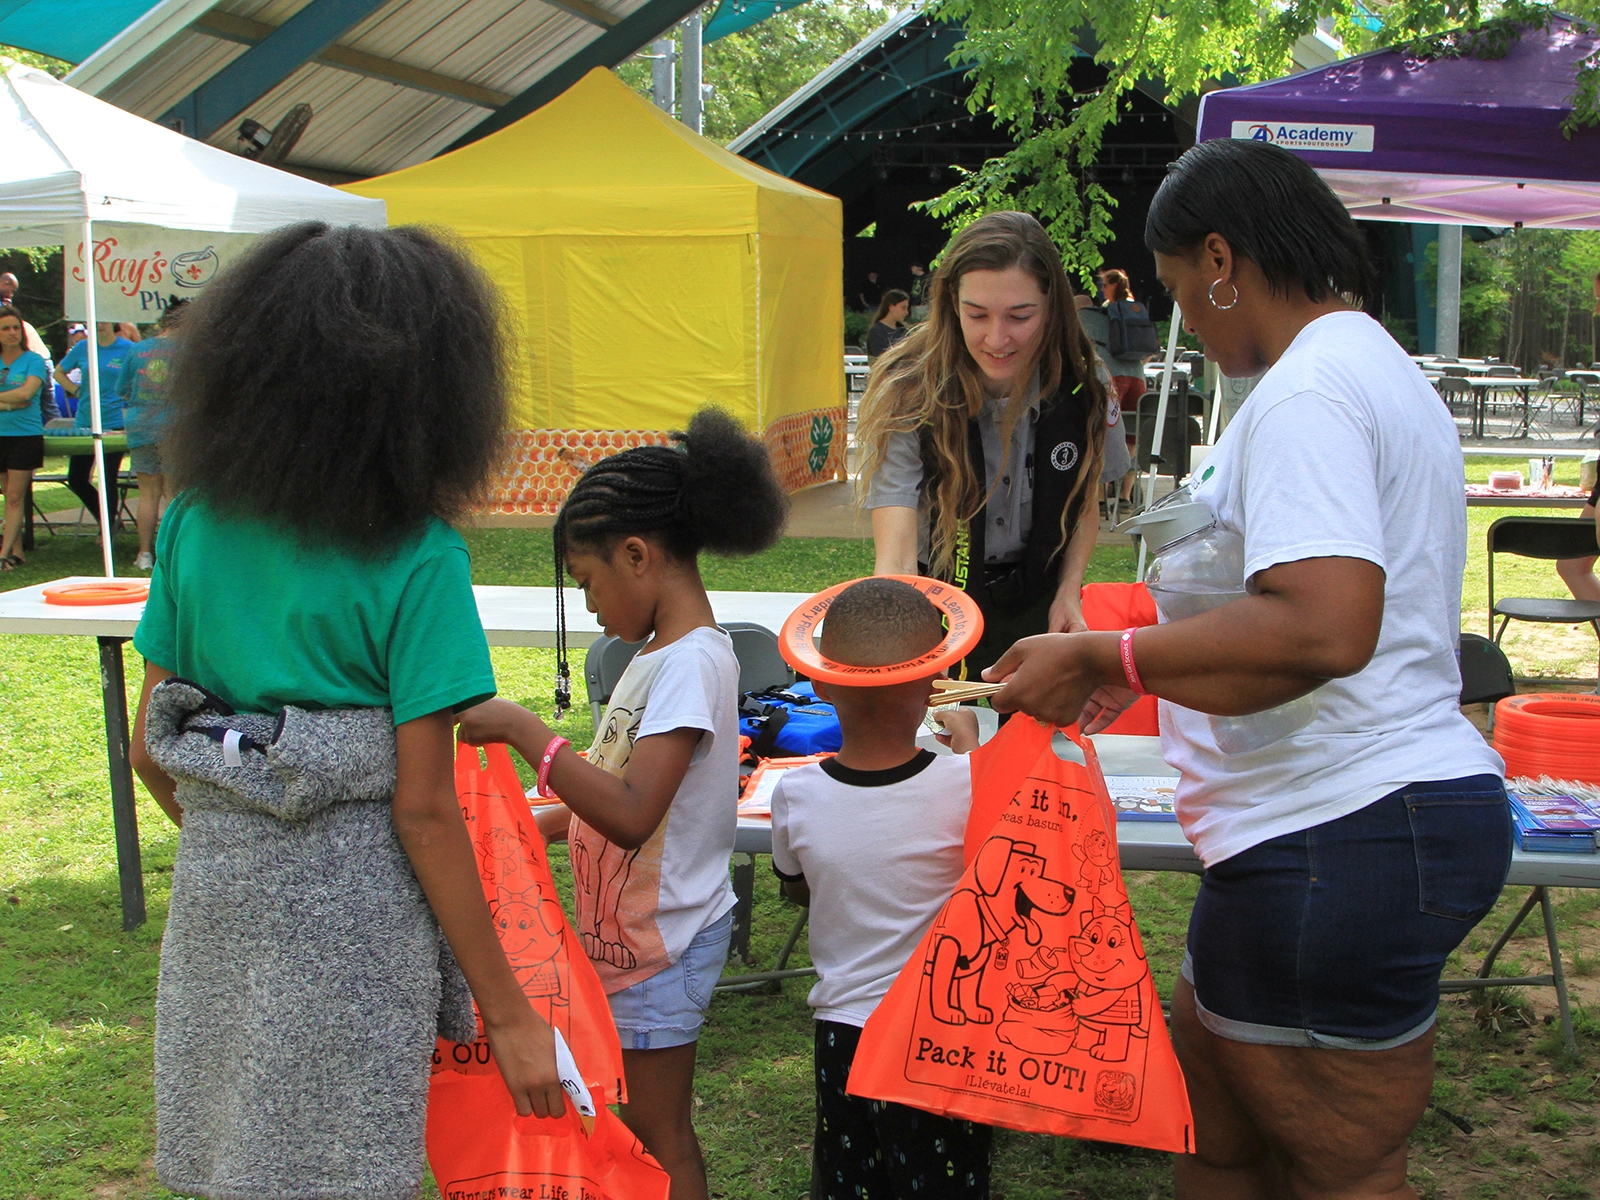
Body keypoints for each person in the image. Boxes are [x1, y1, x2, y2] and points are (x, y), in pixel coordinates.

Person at [983, 139, 1508, 1200]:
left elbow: (1321, 627)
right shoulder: (1358, 365)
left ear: (1220, 257)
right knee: (1222, 1137)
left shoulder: (1309, 390)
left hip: (1337, 830)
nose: (1191, 320)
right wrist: (1153, 671)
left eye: (1183, 291)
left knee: (1337, 1172)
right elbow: (1290, 612)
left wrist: (1106, 648)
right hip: (1318, 831)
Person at [126, 222, 566, 1199]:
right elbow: (421, 810)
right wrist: (509, 1014)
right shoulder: (417, 556)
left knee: (233, 1157)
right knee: (342, 1167)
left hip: (218, 897)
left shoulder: (196, 520)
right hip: (356, 926)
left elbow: (149, 751)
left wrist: (242, 825)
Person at [457, 407, 788, 1200]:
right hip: (632, 939)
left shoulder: (691, 664)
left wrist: (529, 734)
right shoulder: (655, 658)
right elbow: (620, 788)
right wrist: (533, 823)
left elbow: (636, 811)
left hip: (663, 943)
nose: (591, 607)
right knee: (633, 1123)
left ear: (637, 555)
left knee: (655, 1131)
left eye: (589, 582)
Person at [769, 577, 988, 1200]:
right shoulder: (970, 784)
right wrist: (971, 748)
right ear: (935, 684)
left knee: (849, 1182)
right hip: (942, 1033)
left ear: (820, 682)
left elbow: (798, 889)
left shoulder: (796, 796)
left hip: (843, 1033)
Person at [857, 211, 1108, 677]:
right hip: (939, 596)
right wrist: (900, 640)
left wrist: (1069, 591)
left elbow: (1085, 501)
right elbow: (894, 550)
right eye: (977, 315)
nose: (997, 339)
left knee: (1034, 738)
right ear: (951, 303)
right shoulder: (909, 387)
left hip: (1041, 596)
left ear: (1052, 306)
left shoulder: (1084, 387)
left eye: (1020, 316)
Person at [117, 300, 187, 572]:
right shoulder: (188, 351)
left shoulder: (137, 349)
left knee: (147, 493)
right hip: (174, 425)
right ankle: (169, 552)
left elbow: (122, 389)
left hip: (141, 425)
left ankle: (144, 553)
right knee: (173, 491)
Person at [55, 322, 134, 538]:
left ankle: (107, 532)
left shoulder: (128, 348)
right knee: (77, 478)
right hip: (85, 421)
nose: (100, 324)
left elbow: (138, 378)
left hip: (115, 420)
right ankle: (107, 519)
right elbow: (58, 372)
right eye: (95, 320)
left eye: (104, 319)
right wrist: (75, 390)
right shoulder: (83, 347)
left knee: (108, 478)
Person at [0, 304, 49, 569]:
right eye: (5, 328)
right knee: (7, 494)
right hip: (0, 435)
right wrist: (8, 403)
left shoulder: (34, 360)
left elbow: (26, 394)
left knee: (16, 496)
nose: (11, 333)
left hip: (25, 434)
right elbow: (16, 397)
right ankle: (17, 551)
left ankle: (3, 554)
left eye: (15, 328)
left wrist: (11, 400)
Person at [866, 289, 910, 360]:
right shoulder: (877, 331)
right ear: (891, 307)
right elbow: (879, 362)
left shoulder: (903, 331)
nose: (906, 312)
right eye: (903, 308)